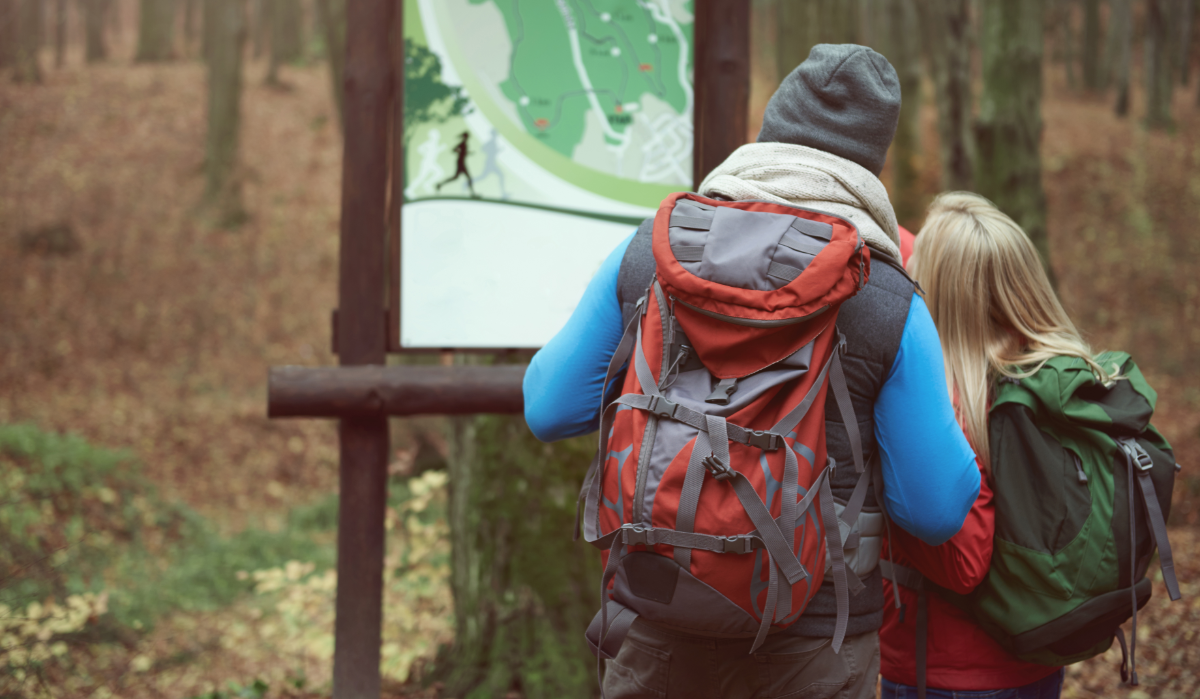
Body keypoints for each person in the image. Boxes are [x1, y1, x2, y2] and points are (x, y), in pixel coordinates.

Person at [524, 45, 980, 699]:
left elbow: (548, 408)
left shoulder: (648, 257)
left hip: (656, 618)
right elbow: (936, 509)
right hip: (814, 640)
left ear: (767, 134)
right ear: (871, 163)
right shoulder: (889, 301)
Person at [879, 192, 1112, 699]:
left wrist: (887, 498)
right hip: (1037, 653)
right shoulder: (1051, 374)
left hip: (944, 675)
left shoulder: (948, 402)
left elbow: (964, 565)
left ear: (936, 287)